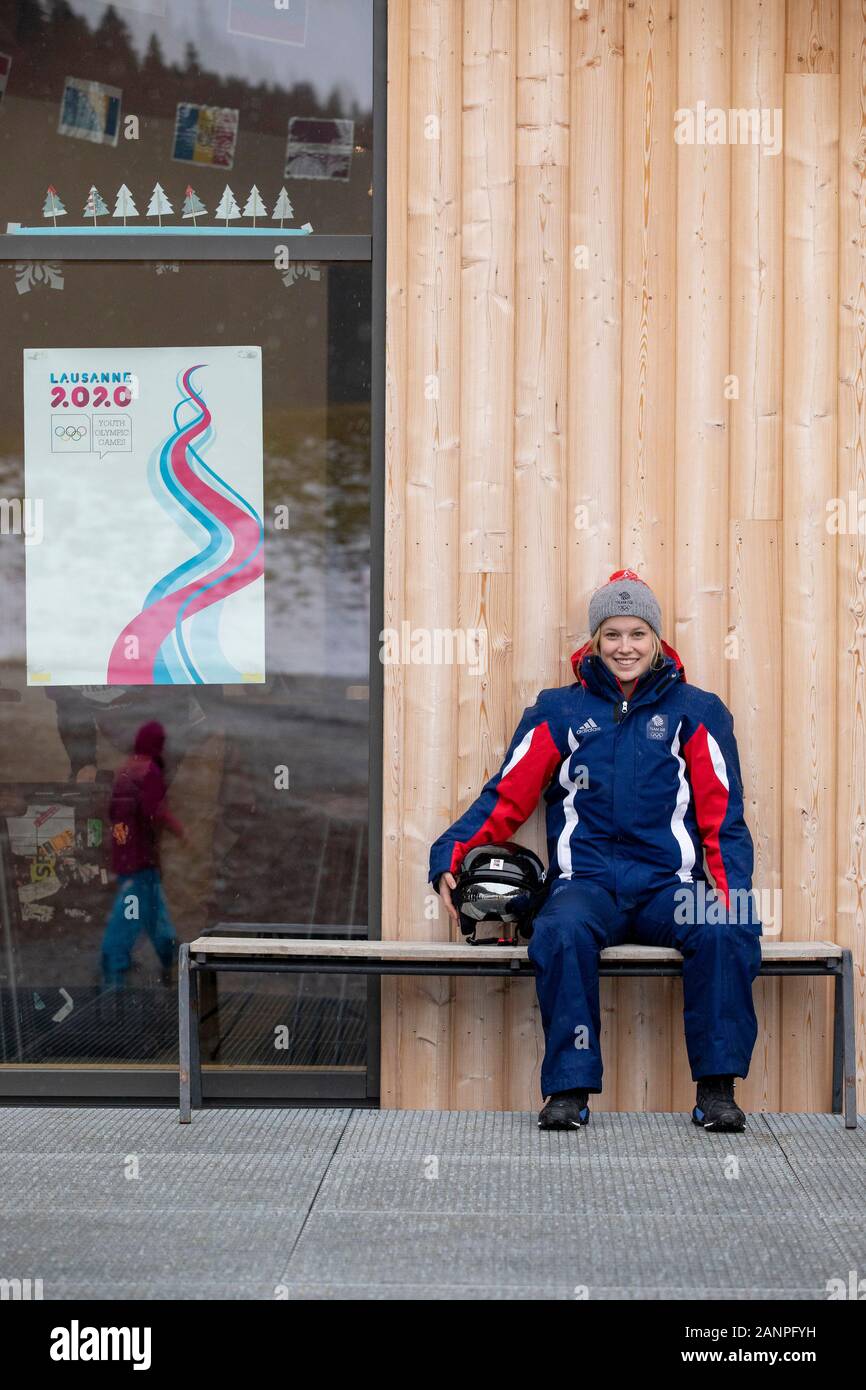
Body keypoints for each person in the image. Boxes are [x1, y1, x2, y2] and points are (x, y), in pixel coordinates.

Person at [429, 569, 763, 1133]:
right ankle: (568, 1091)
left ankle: (717, 1091)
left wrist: (733, 899)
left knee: (723, 926)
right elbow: (506, 796)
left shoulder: (696, 711)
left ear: (656, 639)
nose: (624, 647)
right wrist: (449, 852)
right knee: (559, 931)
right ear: (594, 640)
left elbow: (723, 820)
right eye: (612, 634)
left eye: (636, 633)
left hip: (668, 888)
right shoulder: (558, 711)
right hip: (586, 886)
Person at [101, 720, 185, 987]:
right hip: (140, 859)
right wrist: (179, 831)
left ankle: (171, 957)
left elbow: (114, 815)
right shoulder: (149, 771)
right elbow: (154, 811)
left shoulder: (125, 770)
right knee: (131, 915)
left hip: (127, 856)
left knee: (152, 910)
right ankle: (114, 969)